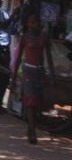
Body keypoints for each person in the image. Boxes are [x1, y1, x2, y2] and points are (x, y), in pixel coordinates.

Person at [12, 12, 54, 144]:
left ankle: (31, 127)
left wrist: (52, 75)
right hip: (28, 72)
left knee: (37, 103)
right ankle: (32, 131)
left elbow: (48, 57)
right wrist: (13, 78)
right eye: (31, 22)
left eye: (36, 22)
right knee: (30, 102)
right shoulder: (25, 37)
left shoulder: (44, 37)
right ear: (28, 24)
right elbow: (18, 58)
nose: (34, 25)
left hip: (39, 72)